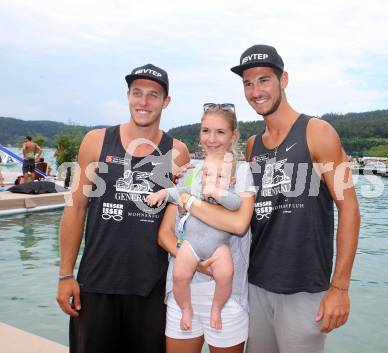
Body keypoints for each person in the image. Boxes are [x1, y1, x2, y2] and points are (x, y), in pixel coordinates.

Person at [230, 44, 361, 353]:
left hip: (304, 288)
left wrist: (340, 287)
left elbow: (350, 208)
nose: (255, 90)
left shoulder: (318, 132)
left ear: (283, 79)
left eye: (264, 80)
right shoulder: (252, 145)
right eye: (247, 83)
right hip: (256, 283)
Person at [56, 63, 190, 353]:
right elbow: (76, 208)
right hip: (96, 284)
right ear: (127, 96)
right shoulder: (97, 141)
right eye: (137, 93)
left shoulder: (177, 151)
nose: (144, 101)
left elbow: (184, 216)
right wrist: (65, 275)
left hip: (151, 290)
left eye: (153, 95)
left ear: (166, 101)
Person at [158, 104, 256, 353]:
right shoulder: (190, 173)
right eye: (206, 131)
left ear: (234, 136)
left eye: (221, 132)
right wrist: (191, 260)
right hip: (182, 291)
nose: (211, 139)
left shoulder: (242, 172)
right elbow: (165, 234)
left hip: (226, 295)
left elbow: (238, 224)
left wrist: (189, 202)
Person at [147, 151, 239, 331]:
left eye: (220, 176)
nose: (212, 180)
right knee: (179, 276)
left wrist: (217, 193)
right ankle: (186, 308)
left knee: (226, 275)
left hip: (218, 247)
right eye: (207, 174)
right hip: (192, 244)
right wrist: (163, 193)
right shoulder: (196, 189)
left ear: (232, 180)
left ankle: (216, 308)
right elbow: (179, 192)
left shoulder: (231, 194)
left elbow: (236, 204)